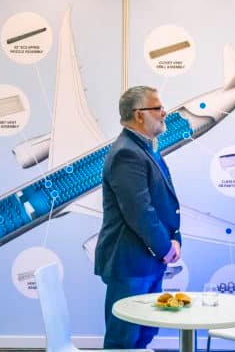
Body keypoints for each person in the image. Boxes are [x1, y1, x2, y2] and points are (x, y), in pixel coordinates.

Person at [95, 86, 181, 349]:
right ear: (139, 115)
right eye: (158, 108)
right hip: (131, 264)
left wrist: (174, 239)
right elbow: (140, 212)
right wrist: (166, 248)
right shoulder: (127, 153)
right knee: (124, 340)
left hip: (147, 261)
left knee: (143, 334)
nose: (164, 112)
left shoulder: (145, 148)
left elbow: (163, 204)